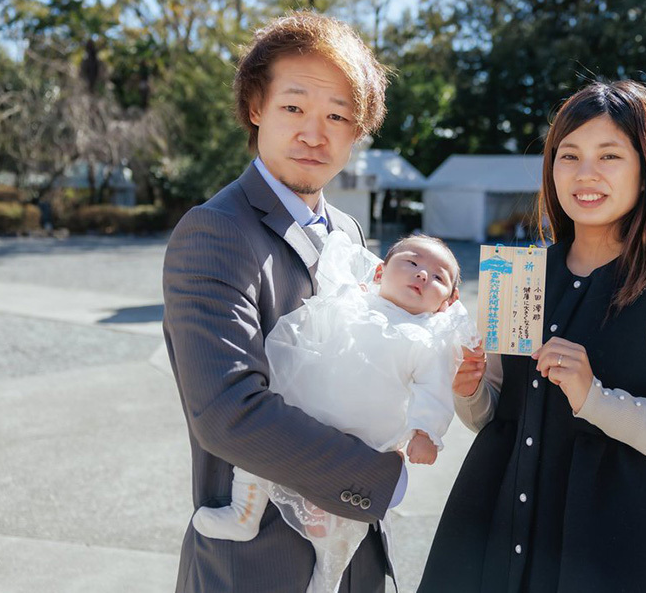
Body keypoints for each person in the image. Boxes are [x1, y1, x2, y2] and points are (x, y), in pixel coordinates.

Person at [420, 80, 646, 592]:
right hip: (506, 534)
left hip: (625, 556)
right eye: (568, 155)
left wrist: (596, 399)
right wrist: (469, 389)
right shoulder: (518, 273)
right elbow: (499, 417)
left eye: (610, 155)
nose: (585, 173)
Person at [163, 11, 406, 593]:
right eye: (293, 108)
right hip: (260, 565)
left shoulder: (346, 231)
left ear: (358, 130)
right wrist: (377, 478)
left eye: (338, 116)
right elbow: (228, 414)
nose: (314, 133)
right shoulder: (215, 232)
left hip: (357, 562)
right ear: (255, 108)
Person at [190, 230, 477, 593]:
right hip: (302, 413)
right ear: (378, 273)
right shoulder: (350, 299)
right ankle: (243, 513)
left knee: (338, 529)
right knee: (258, 455)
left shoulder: (427, 339)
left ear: (447, 303)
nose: (423, 274)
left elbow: (433, 391)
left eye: (439, 277)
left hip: (359, 440)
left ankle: (327, 580)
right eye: (413, 262)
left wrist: (426, 433)